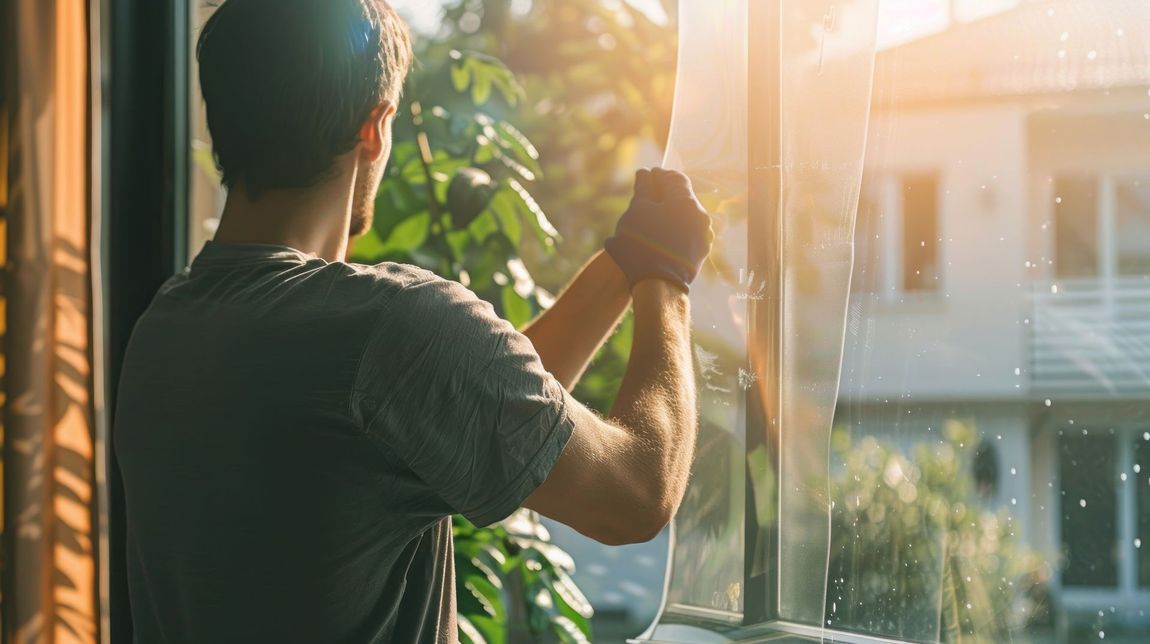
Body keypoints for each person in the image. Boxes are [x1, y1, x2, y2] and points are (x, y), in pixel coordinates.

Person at [112, 0, 713, 642]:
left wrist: (625, 262)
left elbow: (467, 405)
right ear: (375, 128)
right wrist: (668, 282)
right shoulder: (390, 327)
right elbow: (635, 496)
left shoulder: (167, 325)